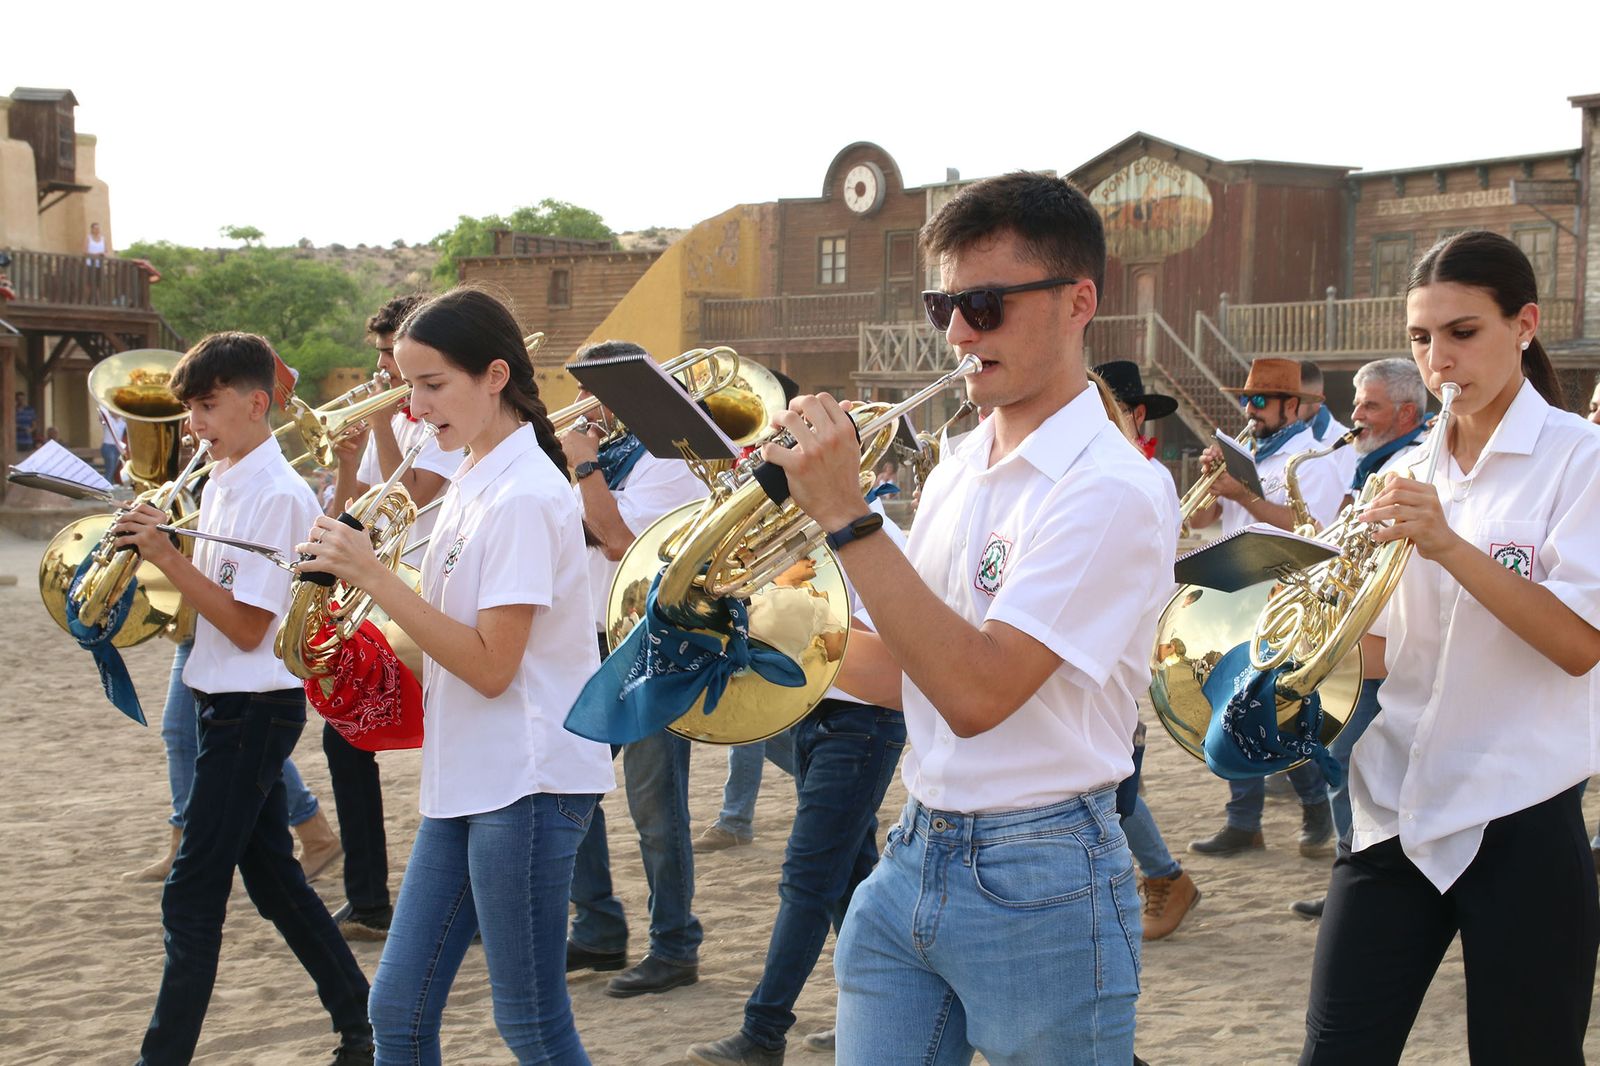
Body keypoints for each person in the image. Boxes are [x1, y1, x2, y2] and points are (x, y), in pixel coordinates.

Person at [762, 171, 1175, 1063]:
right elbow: (913, 668)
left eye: (984, 303)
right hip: (916, 844)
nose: (956, 331)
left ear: (1079, 302)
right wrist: (756, 639)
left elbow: (978, 691)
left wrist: (846, 518)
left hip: (1046, 871)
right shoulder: (955, 466)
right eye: (943, 302)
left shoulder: (1113, 489)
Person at [1299, 230, 1600, 1063]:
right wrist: (1287, 667)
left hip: (1522, 817)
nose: (1439, 359)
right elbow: (1385, 653)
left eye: (1462, 333)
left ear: (1525, 324)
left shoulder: (1582, 461)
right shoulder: (1393, 475)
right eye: (1421, 338)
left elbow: (1578, 645)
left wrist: (1450, 546)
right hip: (1390, 808)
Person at [301, 288, 613, 1064]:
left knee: (532, 1024)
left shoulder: (526, 492)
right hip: (473, 775)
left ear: (495, 375)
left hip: (528, 783)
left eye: (431, 384)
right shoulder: (474, 476)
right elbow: (443, 635)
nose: (414, 405)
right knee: (398, 1010)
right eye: (407, 385)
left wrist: (371, 575)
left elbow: (492, 666)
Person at [110, 332, 372, 1066]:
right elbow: (205, 608)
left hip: (253, 708)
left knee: (192, 891)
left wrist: (165, 553)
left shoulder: (277, 494)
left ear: (257, 404)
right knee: (275, 883)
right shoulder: (221, 477)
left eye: (206, 404)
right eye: (190, 406)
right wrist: (152, 558)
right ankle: (360, 1022)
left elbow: (250, 624)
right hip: (216, 698)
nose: (193, 422)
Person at [686, 506, 910, 1066]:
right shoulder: (779, 538)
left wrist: (801, 609)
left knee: (808, 878)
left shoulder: (881, 531)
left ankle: (763, 1032)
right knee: (850, 878)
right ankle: (885, 1006)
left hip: (862, 722)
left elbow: (902, 648)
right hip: (807, 716)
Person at [560, 340, 712, 997]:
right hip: (592, 637)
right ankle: (598, 929)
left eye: (601, 389)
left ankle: (675, 946)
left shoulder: (668, 456)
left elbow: (623, 540)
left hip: (654, 643)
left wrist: (584, 464)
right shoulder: (604, 453)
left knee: (654, 805)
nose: (589, 404)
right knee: (568, 782)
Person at [321, 294, 463, 942]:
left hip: (435, 592)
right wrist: (348, 462)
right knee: (345, 733)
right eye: (380, 356)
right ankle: (369, 896)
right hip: (388, 592)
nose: (383, 369)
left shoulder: (439, 421)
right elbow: (360, 510)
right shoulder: (404, 416)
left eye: (394, 358)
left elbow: (413, 495)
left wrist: (384, 420)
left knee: (453, 742)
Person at [1186, 356, 1341, 859]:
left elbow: (1309, 528)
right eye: (1245, 400)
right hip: (1235, 595)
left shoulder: (1315, 458)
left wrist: (1245, 494)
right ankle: (1244, 823)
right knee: (1228, 712)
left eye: (1261, 402)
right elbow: (1207, 517)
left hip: (1284, 600)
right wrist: (1211, 482)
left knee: (1278, 716)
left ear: (1292, 406)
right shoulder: (1247, 452)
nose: (1250, 411)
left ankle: (1317, 810)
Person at [1092, 360, 1201, 940]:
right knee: (1111, 788)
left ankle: (1165, 874)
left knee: (1113, 789)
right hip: (1108, 647)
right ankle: (1162, 875)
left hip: (1121, 650)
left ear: (1133, 416)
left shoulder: (1142, 477)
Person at [1298, 361, 1359, 492]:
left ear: (1317, 399)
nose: (1287, 405)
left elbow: (1346, 500)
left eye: (1297, 399)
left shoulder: (1344, 444)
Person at [100, 411, 126, 482]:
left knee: (114, 468)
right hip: (108, 447)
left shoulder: (123, 422)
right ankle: (106, 484)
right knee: (110, 468)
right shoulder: (108, 420)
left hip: (117, 447)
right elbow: (102, 420)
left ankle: (110, 484)